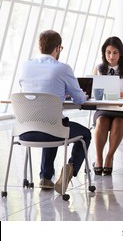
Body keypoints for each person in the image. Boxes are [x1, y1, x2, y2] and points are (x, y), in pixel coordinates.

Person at [18, 29, 91, 194]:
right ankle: (70, 168)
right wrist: (81, 94)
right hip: (53, 131)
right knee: (84, 133)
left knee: (48, 122)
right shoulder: (62, 68)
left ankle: (45, 177)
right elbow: (79, 99)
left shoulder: (25, 66)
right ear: (58, 48)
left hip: (25, 132)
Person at [92, 36, 123, 176]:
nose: (111, 56)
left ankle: (109, 157)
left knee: (118, 123)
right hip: (104, 110)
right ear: (104, 53)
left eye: (115, 52)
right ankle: (99, 158)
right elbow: (93, 91)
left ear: (121, 53)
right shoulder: (99, 69)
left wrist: (115, 94)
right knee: (101, 121)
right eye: (108, 52)